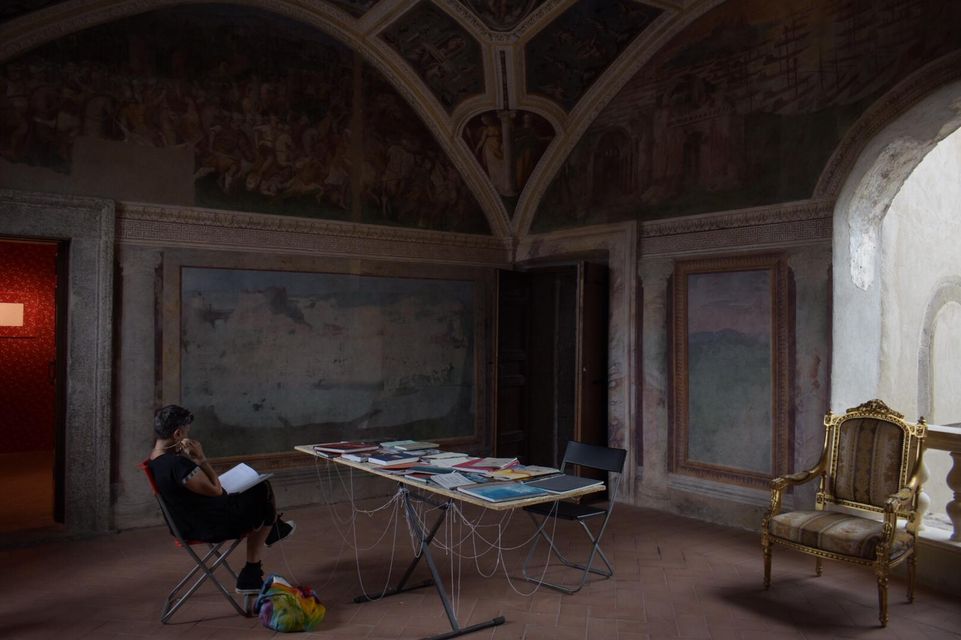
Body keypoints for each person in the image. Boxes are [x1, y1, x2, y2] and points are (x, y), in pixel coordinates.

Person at [148, 404, 295, 592]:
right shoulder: (177, 465)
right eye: (186, 433)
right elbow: (216, 490)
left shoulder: (155, 458)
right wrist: (201, 459)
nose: (188, 437)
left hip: (188, 521)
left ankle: (272, 531)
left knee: (258, 491)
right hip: (206, 526)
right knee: (262, 491)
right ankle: (252, 570)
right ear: (177, 434)